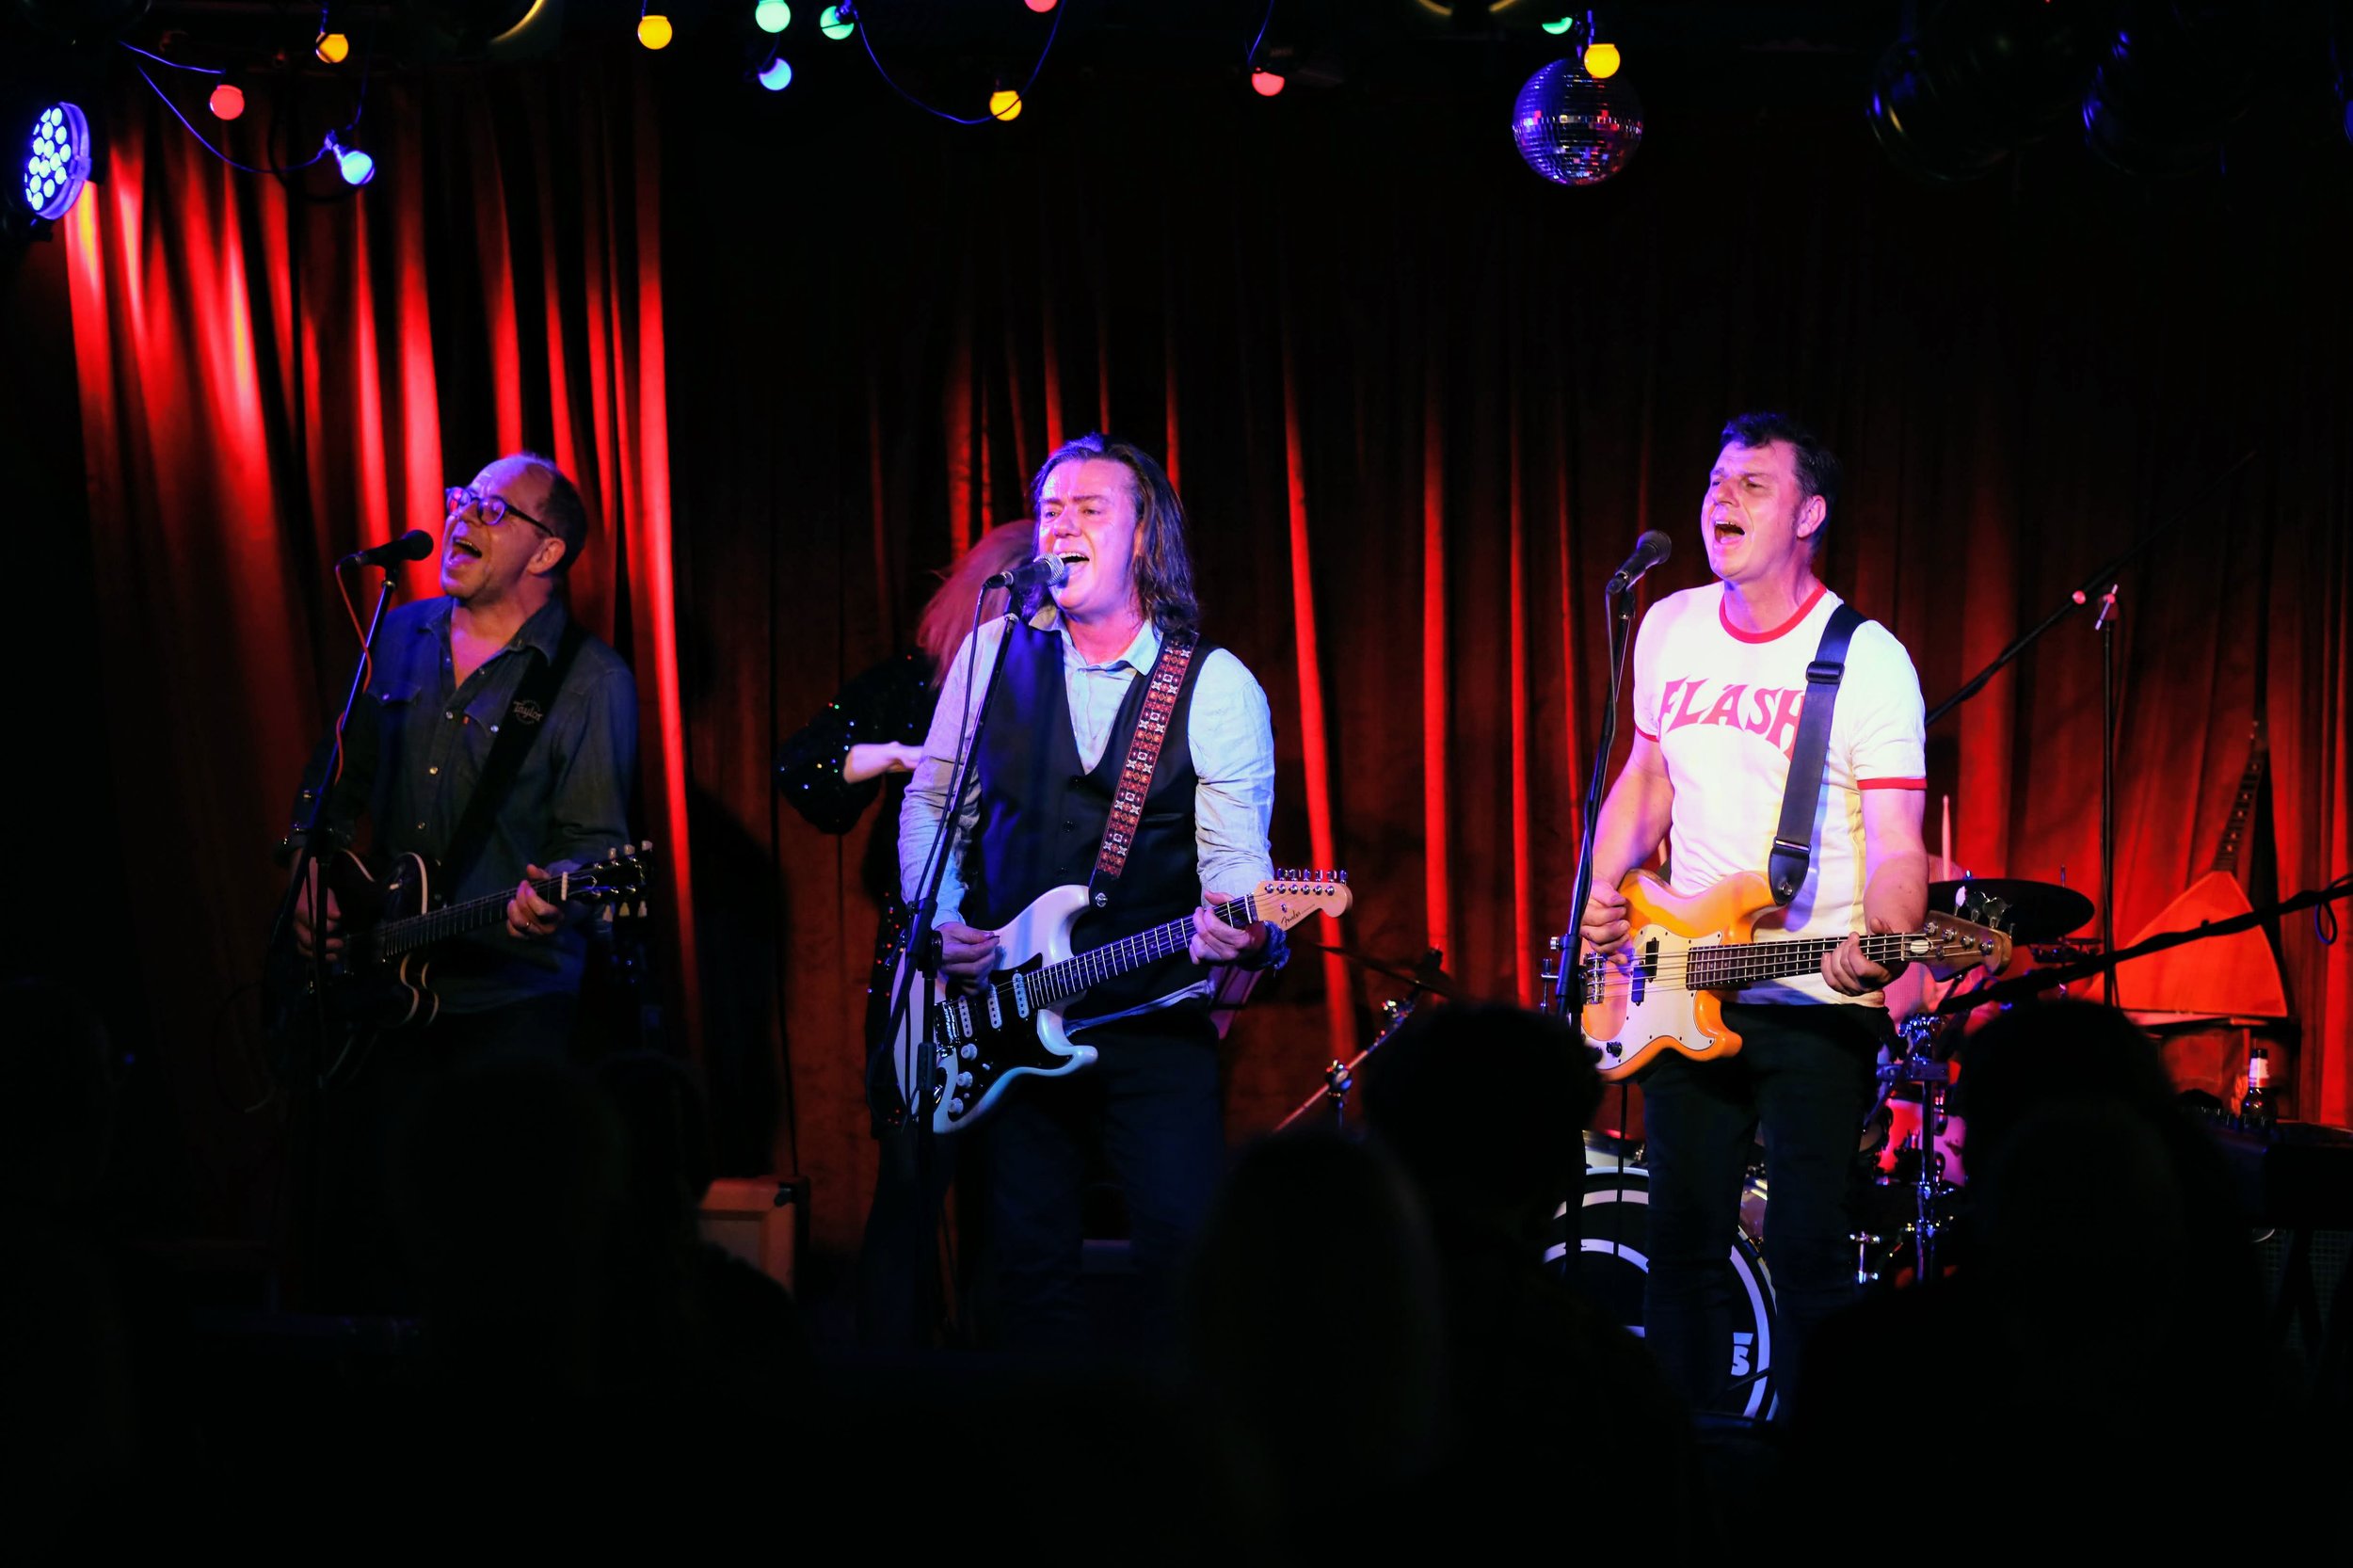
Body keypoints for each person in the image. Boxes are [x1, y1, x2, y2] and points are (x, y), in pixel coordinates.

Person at [897, 431, 1284, 1353]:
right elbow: (932, 802)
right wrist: (941, 919)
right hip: (1008, 1021)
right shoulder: (992, 653)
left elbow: (1237, 871)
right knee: (1026, 1272)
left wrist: (1246, 928)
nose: (1060, 525)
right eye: (1051, 510)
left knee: (1186, 1263)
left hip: (1153, 1022)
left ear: (1145, 538)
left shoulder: (1215, 686)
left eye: (1088, 508)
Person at [1577, 412, 1928, 1413]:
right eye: (1716, 481)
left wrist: (1890, 940)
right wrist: (1605, 892)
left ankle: (1819, 1485)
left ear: (1809, 513)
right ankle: (1689, 1471)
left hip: (1818, 996)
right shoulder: (1669, 624)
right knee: (1681, 1242)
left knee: (1811, 1251)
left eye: (1753, 486)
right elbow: (1645, 777)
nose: (1720, 500)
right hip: (1682, 983)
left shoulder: (1864, 659)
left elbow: (1898, 842)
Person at [286, 452, 638, 1305]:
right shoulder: (399, 635)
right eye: (460, 501)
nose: (461, 521)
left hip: (509, 1007)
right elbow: (335, 790)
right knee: (367, 1239)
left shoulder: (592, 683)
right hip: (380, 992)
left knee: (494, 1254)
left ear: (547, 552)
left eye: (491, 510)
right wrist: (311, 874)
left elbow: (594, 851)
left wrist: (550, 900)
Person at [774, 520, 1032, 1349]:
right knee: (914, 1178)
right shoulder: (918, 682)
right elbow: (803, 766)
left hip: (1030, 964)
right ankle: (894, 1377)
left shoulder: (1069, 690)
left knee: (1018, 1187)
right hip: (925, 964)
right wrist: (893, 755)